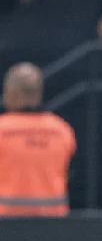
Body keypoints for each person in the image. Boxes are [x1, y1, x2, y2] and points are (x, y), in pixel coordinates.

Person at [0, 63, 75, 217]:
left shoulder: (2, 129)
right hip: (53, 221)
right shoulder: (61, 130)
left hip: (6, 222)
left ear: (13, 94)